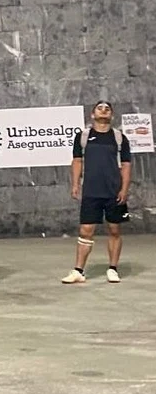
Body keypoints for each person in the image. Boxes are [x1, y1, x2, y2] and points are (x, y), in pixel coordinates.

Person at [61, 100, 132, 284]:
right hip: (91, 192)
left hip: (114, 192)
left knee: (114, 229)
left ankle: (113, 269)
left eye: (107, 109)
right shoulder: (83, 137)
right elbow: (77, 161)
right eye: (100, 108)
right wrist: (75, 184)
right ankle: (78, 271)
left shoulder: (120, 138)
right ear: (93, 115)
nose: (104, 110)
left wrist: (124, 189)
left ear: (111, 115)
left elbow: (126, 165)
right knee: (85, 230)